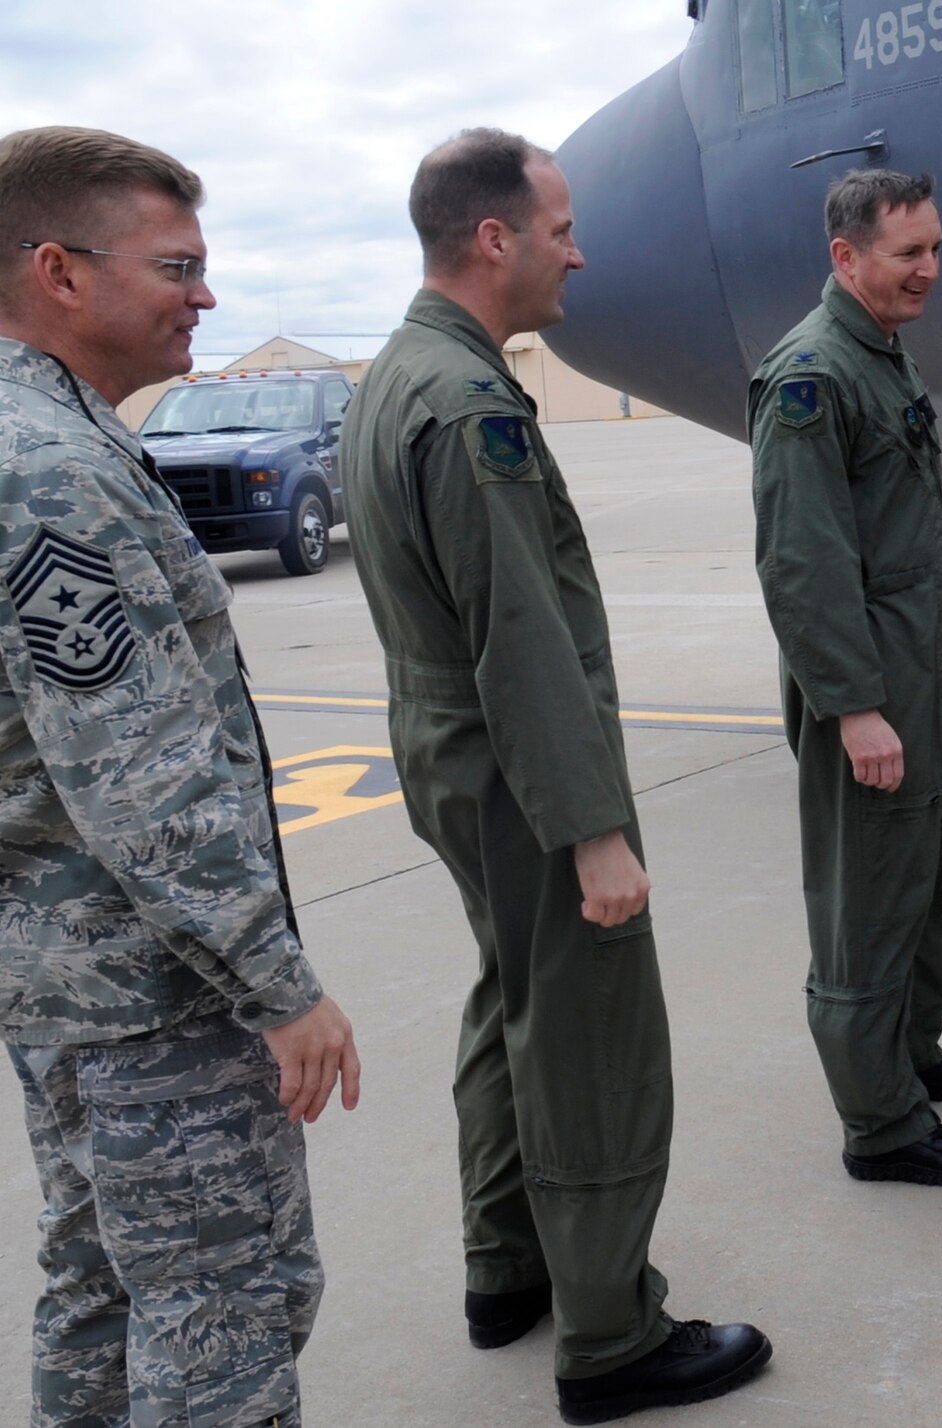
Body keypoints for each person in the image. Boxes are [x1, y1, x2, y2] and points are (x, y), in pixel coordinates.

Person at [342, 129, 769, 1421]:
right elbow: (521, 635)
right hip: (523, 775)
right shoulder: (467, 404)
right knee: (587, 1031)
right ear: (496, 239)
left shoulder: (398, 374)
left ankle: (508, 1269)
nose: (577, 251)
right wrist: (593, 831)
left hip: (453, 761)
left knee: (511, 999)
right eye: (562, 227)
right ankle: (609, 1335)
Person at [0, 125, 359, 1425]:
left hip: (66, 989)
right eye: (177, 265)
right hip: (150, 997)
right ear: (61, 272)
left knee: (99, 1293)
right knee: (229, 1315)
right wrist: (282, 987)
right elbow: (142, 787)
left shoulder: (43, 437)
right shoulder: (50, 471)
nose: (206, 296)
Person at [748, 170, 942, 1187]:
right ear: (845, 258)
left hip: (913, 664)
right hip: (862, 682)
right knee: (868, 904)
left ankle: (910, 1059)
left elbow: (914, 518)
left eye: (936, 248)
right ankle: (880, 1126)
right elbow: (801, 562)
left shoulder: (878, 360)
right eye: (908, 254)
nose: (929, 270)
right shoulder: (809, 377)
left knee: (924, 882)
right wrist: (853, 708)